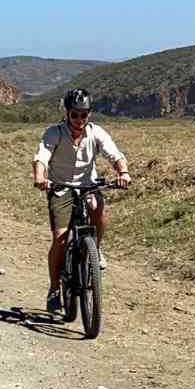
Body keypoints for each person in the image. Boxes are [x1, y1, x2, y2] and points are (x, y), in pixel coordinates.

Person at [32, 89, 132, 313]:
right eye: (75, 115)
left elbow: (114, 155)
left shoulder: (96, 132)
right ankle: (54, 289)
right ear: (67, 113)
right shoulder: (54, 133)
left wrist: (123, 172)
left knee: (100, 209)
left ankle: (95, 249)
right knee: (60, 238)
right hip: (61, 188)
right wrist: (40, 177)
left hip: (88, 185)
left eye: (84, 115)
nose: (79, 120)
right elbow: (41, 157)